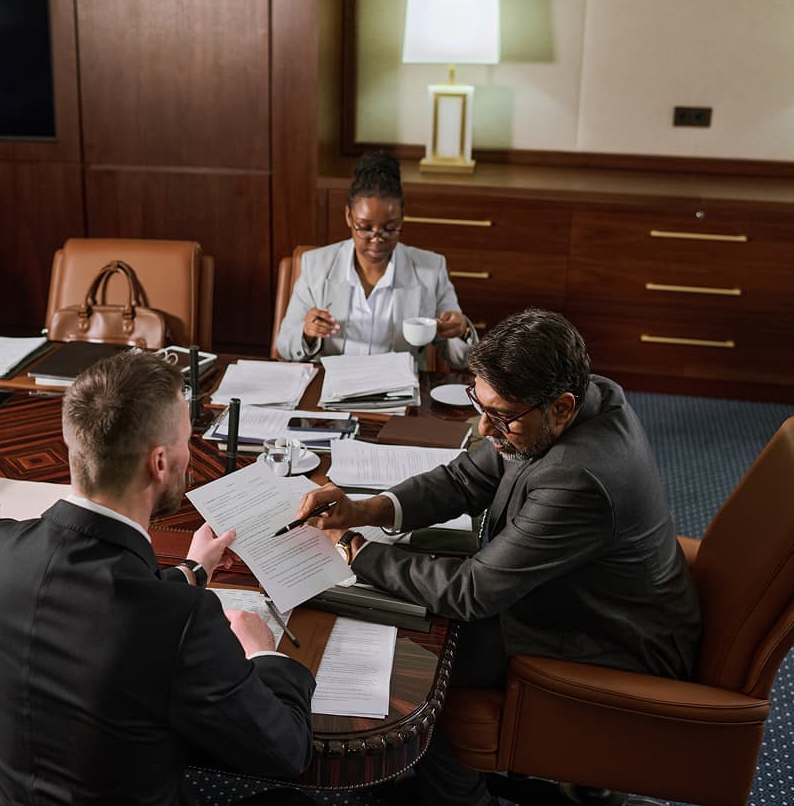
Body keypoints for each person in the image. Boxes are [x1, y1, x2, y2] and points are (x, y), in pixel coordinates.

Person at [296, 308, 701, 806]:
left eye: (501, 416)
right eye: (478, 403)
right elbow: (467, 477)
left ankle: (460, 797)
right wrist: (367, 508)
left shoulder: (579, 478)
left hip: (614, 637)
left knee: (422, 660)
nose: (484, 427)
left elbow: (472, 592)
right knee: (416, 605)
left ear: (561, 407)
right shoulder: (575, 396)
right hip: (579, 596)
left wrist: (355, 551)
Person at [0, 351, 315, 806]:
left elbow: (92, 611)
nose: (191, 454)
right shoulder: (180, 622)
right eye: (188, 441)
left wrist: (192, 571)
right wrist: (265, 653)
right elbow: (286, 750)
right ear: (159, 463)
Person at [275, 151, 476, 367]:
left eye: (390, 228)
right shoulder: (316, 266)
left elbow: (460, 359)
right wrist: (307, 333)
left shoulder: (430, 270)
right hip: (333, 388)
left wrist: (463, 330)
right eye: (365, 228)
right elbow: (284, 345)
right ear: (349, 217)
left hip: (398, 391)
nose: (377, 240)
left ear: (402, 218)